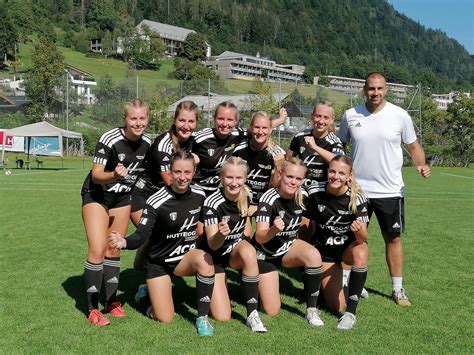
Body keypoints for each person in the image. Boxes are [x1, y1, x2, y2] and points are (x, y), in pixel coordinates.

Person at [338, 72, 431, 306]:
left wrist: (421, 164)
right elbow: (340, 146)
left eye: (379, 88)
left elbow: (413, 145)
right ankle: (346, 284)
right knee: (353, 238)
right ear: (364, 89)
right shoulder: (350, 115)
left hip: (390, 190)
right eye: (371, 88)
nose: (375, 93)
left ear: (386, 89)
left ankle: (397, 289)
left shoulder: (400, 116)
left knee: (393, 238)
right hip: (357, 191)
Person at [107, 151, 216, 336]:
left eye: (187, 172)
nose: (182, 177)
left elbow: (210, 220)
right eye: (177, 172)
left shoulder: (200, 194)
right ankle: (144, 296)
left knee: (204, 259)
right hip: (159, 264)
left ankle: (202, 318)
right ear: (170, 172)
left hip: (183, 260)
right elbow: (141, 235)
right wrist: (125, 241)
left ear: (194, 172)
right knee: (165, 318)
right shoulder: (156, 201)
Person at [81, 99, 151, 326]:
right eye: (133, 118)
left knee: (114, 247)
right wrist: (114, 175)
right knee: (98, 249)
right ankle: (92, 308)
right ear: (125, 119)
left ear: (147, 119)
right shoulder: (110, 139)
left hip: (122, 198)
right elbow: (96, 175)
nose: (138, 123)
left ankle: (111, 302)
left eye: (142, 118)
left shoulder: (148, 143)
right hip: (97, 195)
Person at [199, 157, 267, 332]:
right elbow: (213, 245)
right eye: (229, 177)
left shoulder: (246, 194)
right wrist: (221, 234)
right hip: (213, 259)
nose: (234, 183)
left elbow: (253, 209)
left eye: (239, 178)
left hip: (234, 254)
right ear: (222, 177)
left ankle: (252, 315)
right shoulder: (212, 202)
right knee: (222, 316)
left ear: (245, 179)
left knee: (249, 251)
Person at [254, 157, 325, 326]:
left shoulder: (302, 196)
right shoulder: (268, 198)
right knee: (271, 310)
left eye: (298, 178)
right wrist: (274, 229)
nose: (293, 182)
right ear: (280, 174)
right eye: (289, 177)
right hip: (265, 254)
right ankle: (250, 281)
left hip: (287, 247)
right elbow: (259, 237)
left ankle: (312, 310)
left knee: (314, 255)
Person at [304, 156, 369, 330]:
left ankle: (351, 314)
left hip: (346, 250)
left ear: (349, 176)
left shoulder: (357, 197)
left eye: (341, 173)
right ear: (327, 171)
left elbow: (363, 238)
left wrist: (358, 230)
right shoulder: (314, 190)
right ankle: (334, 282)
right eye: (332, 171)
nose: (335, 176)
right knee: (336, 306)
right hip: (324, 252)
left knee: (361, 251)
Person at [192, 101, 287, 196]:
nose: (225, 124)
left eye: (229, 120)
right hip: (196, 191)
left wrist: (280, 120)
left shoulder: (237, 135)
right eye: (221, 119)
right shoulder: (201, 138)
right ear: (214, 119)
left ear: (236, 121)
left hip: (217, 193)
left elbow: (260, 129)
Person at [130, 101, 199, 226]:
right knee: (153, 240)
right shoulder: (163, 144)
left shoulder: (194, 140)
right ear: (174, 120)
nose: (186, 126)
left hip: (165, 196)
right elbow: (170, 180)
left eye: (191, 121)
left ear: (196, 122)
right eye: (182, 120)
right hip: (145, 196)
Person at [233, 111, 286, 218]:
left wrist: (278, 168)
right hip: (241, 201)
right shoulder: (239, 150)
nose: (260, 132)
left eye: (264, 128)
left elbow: (274, 187)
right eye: (257, 127)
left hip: (265, 203)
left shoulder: (278, 154)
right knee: (246, 233)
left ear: (270, 129)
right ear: (251, 128)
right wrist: (280, 120)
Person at [287, 101, 344, 188]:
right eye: (318, 116)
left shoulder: (335, 142)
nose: (321, 121)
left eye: (326, 117)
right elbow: (288, 161)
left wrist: (315, 147)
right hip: (300, 188)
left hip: (322, 190)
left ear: (332, 120)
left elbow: (339, 163)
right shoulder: (300, 137)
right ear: (312, 116)